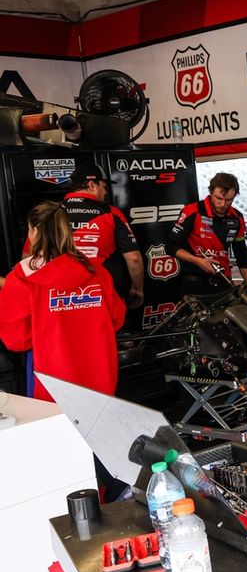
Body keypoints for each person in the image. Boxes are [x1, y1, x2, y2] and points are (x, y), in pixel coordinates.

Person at [0, 201, 126, 400]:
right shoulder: (97, 271)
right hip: (101, 380)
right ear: (68, 230)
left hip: (50, 384)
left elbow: (16, 340)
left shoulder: (22, 278)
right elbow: (117, 319)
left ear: (33, 231)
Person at [60, 162, 144, 307]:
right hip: (104, 294)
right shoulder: (111, 213)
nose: (106, 193)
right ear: (92, 185)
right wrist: (138, 290)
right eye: (104, 187)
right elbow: (134, 259)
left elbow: (29, 257)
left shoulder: (49, 214)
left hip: (61, 297)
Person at [167, 172, 247, 295]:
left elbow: (242, 255)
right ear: (210, 192)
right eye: (219, 198)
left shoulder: (237, 218)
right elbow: (171, 247)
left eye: (229, 200)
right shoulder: (192, 211)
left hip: (223, 280)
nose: (223, 204)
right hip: (194, 282)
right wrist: (198, 261)